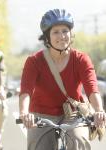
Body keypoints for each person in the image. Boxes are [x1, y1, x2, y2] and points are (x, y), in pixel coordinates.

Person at [19, 9, 106, 150]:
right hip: (42, 114)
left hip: (73, 114)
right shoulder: (34, 61)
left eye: (65, 30)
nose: (62, 36)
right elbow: (26, 91)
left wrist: (99, 110)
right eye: (56, 32)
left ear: (71, 34)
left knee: (79, 141)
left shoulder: (81, 59)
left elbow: (92, 89)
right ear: (47, 37)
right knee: (38, 146)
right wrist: (24, 113)